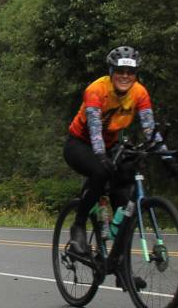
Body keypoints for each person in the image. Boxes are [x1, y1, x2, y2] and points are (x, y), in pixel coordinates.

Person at [64, 46, 167, 284]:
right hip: (80, 144)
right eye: (120, 70)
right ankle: (78, 226)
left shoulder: (139, 93)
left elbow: (150, 129)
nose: (125, 76)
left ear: (136, 74)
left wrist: (167, 156)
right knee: (100, 172)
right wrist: (100, 155)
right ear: (111, 71)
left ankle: (120, 267)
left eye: (130, 72)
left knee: (125, 199)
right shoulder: (96, 90)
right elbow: (94, 127)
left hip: (110, 146)